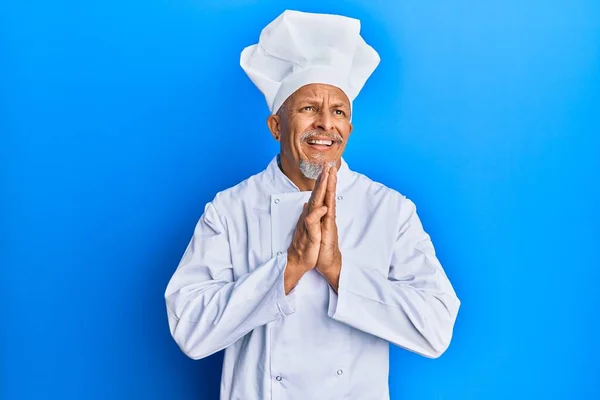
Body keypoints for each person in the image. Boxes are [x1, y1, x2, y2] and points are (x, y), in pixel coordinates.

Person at [165, 9, 460, 400]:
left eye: (338, 111)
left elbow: (436, 330)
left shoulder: (390, 210)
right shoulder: (229, 210)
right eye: (308, 108)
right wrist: (289, 268)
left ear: (348, 130)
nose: (325, 123)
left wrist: (337, 270)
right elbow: (190, 330)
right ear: (276, 126)